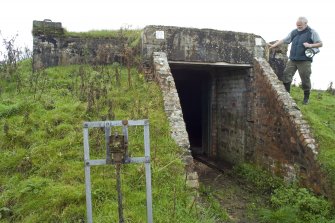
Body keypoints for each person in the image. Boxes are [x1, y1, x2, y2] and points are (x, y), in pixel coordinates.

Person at [268, 16, 323, 104]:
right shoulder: (294, 32)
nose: (298, 27)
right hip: (293, 59)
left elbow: (320, 44)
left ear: (305, 24)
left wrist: (310, 45)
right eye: (297, 25)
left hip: (305, 60)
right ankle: (287, 96)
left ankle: (306, 98)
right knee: (286, 76)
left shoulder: (312, 32)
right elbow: (284, 39)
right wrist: (274, 45)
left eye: (300, 25)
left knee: (305, 79)